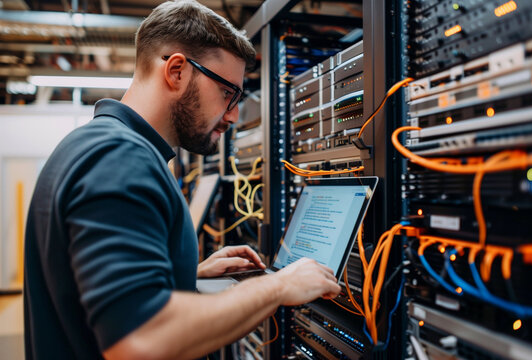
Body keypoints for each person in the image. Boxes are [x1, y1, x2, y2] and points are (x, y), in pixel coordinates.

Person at [24, 0, 341, 359]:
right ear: (177, 71)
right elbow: (140, 340)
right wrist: (279, 286)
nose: (234, 115)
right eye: (228, 93)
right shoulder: (120, 158)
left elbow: (87, 295)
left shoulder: (95, 144)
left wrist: (184, 275)